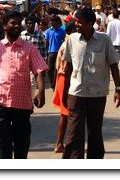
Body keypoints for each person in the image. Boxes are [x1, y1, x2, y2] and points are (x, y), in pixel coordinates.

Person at [0, 11, 48, 159]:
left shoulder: (29, 48)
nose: (17, 26)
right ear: (5, 26)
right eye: (13, 23)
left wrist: (40, 90)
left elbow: (39, 71)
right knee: (1, 143)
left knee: (21, 144)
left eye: (19, 23)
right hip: (1, 102)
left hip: (22, 103)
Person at [61, 7, 120, 159]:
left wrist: (118, 89)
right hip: (76, 94)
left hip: (97, 95)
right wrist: (64, 92)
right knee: (74, 134)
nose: (76, 25)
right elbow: (67, 67)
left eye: (80, 22)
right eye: (76, 22)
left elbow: (113, 64)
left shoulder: (104, 40)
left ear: (90, 23)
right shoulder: (72, 40)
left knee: (95, 134)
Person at [51, 21, 77, 153]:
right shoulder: (69, 44)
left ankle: (61, 143)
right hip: (66, 78)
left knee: (66, 114)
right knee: (67, 114)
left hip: (61, 78)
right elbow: (67, 68)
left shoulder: (66, 42)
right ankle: (61, 143)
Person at [44, 15, 66, 90]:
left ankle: (55, 84)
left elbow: (64, 41)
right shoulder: (48, 31)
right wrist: (46, 51)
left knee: (57, 69)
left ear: (57, 22)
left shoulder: (62, 31)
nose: (51, 23)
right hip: (50, 52)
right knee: (49, 69)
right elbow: (46, 42)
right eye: (51, 21)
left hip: (59, 53)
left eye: (53, 21)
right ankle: (52, 83)